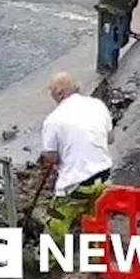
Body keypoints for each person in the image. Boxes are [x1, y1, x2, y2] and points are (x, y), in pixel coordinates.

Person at [31, 73, 114, 242]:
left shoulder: (53, 120)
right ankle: (97, 256)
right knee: (95, 216)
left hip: (77, 183)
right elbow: (110, 138)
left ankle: (46, 261)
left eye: (52, 92)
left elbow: (51, 157)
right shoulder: (97, 105)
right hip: (104, 176)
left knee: (56, 222)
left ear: (60, 92)